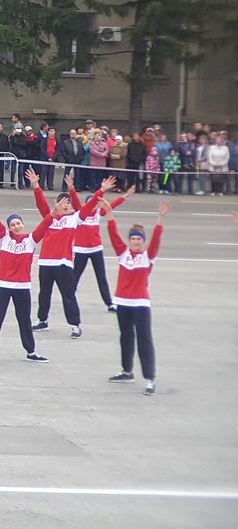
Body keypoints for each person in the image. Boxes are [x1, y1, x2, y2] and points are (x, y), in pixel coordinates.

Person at [27, 169, 114, 339]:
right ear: (56, 204)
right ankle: (42, 320)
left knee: (68, 295)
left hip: (63, 264)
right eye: (62, 203)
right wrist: (36, 185)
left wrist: (101, 190)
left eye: (68, 203)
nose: (66, 205)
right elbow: (40, 203)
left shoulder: (75, 217)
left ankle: (75, 324)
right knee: (44, 293)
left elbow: (88, 207)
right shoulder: (49, 216)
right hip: (45, 263)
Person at [0, 193, 50, 366]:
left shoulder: (31, 240)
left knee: (24, 319)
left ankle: (31, 351)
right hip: (2, 285)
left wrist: (53, 212)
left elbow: (45, 223)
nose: (17, 227)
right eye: (13, 225)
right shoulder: (4, 239)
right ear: (9, 228)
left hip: (22, 287)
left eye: (19, 223)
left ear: (23, 225)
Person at [106, 202, 168, 396]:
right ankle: (127, 371)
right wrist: (109, 213)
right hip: (123, 302)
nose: (135, 241)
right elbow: (113, 236)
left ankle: (150, 379)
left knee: (144, 340)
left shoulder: (148, 256)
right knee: (125, 337)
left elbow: (156, 240)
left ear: (142, 240)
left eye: (138, 239)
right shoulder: (123, 254)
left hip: (140, 303)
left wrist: (160, 218)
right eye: (132, 238)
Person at [74, 186, 131, 313]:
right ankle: (69, 298)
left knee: (101, 277)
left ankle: (109, 303)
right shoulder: (79, 214)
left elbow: (110, 206)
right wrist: (72, 188)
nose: (92, 206)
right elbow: (75, 201)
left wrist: (124, 196)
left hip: (96, 249)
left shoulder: (98, 214)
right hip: (81, 250)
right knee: (75, 276)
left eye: (95, 204)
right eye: (90, 203)